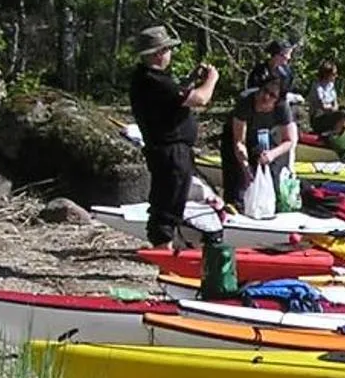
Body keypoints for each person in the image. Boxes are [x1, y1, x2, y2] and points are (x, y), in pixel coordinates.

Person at [127, 25, 218, 247]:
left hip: (170, 149)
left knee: (170, 200)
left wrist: (190, 80)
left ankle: (165, 246)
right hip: (169, 150)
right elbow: (199, 99)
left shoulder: (150, 79)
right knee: (167, 204)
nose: (170, 54)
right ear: (159, 53)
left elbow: (175, 96)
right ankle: (162, 250)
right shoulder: (152, 80)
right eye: (168, 49)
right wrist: (212, 79)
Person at [227, 74, 298, 212]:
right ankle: (235, 207)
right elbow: (239, 141)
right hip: (240, 136)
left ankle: (273, 207)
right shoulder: (246, 102)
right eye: (264, 91)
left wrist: (272, 154)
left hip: (266, 139)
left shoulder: (282, 108)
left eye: (272, 95)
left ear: (277, 100)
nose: (266, 97)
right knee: (239, 180)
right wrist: (245, 167)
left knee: (273, 173)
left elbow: (290, 140)